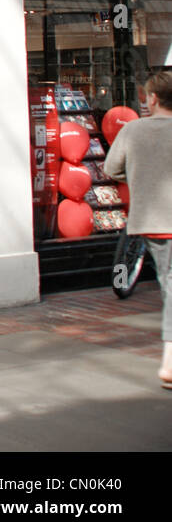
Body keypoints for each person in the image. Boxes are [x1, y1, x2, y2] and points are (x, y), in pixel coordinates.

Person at [103, 70, 172, 390]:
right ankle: (170, 359)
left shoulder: (132, 131)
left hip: (150, 222)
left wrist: (140, 176)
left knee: (168, 283)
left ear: (153, 98)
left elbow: (111, 168)